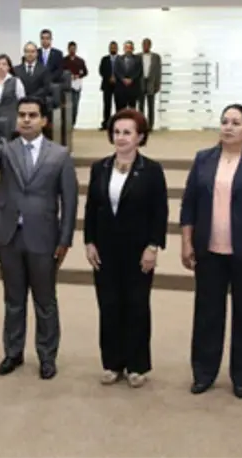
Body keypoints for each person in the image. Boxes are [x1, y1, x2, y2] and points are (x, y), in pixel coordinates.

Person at [0, 97, 78, 380]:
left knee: (45, 301)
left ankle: (47, 356)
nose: (26, 119)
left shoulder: (60, 155)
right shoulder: (7, 150)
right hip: (9, 237)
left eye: (32, 115)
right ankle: (13, 353)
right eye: (22, 115)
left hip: (44, 238)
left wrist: (65, 239)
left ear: (44, 121)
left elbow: (70, 202)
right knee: (13, 299)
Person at [180, 104, 242, 399]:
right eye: (225, 121)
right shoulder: (204, 159)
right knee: (207, 314)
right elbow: (189, 204)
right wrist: (187, 241)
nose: (228, 127)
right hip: (209, 250)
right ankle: (204, 372)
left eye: (236, 122)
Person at [83, 109, 168, 388]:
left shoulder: (152, 170)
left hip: (138, 250)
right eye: (117, 132)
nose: (121, 138)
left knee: (136, 306)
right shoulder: (100, 167)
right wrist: (89, 241)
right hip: (105, 249)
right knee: (108, 305)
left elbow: (160, 212)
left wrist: (153, 246)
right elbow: (92, 208)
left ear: (140, 136)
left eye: (127, 132)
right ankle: (112, 363)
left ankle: (137, 365)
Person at [0, 54, 25, 135]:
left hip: (11, 120)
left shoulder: (15, 81)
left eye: (4, 64)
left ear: (9, 67)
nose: (1, 67)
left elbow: (22, 102)